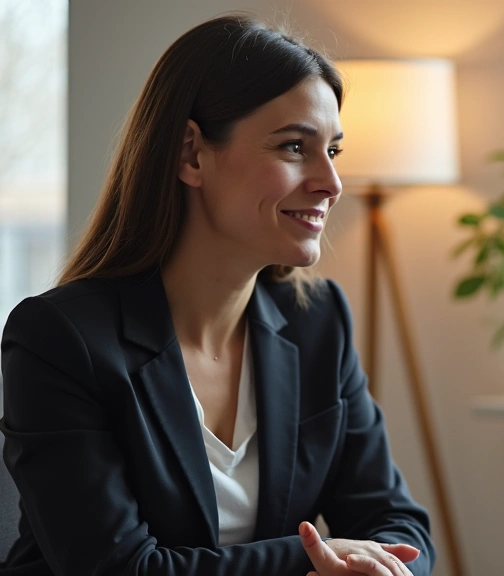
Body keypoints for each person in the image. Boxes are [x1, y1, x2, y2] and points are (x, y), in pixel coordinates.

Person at [0, 14, 433, 576]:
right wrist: (318, 561)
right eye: (295, 147)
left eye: (335, 151)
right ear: (191, 154)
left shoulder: (320, 320)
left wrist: (380, 567)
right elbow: (119, 569)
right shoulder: (59, 339)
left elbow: (399, 523)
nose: (331, 182)